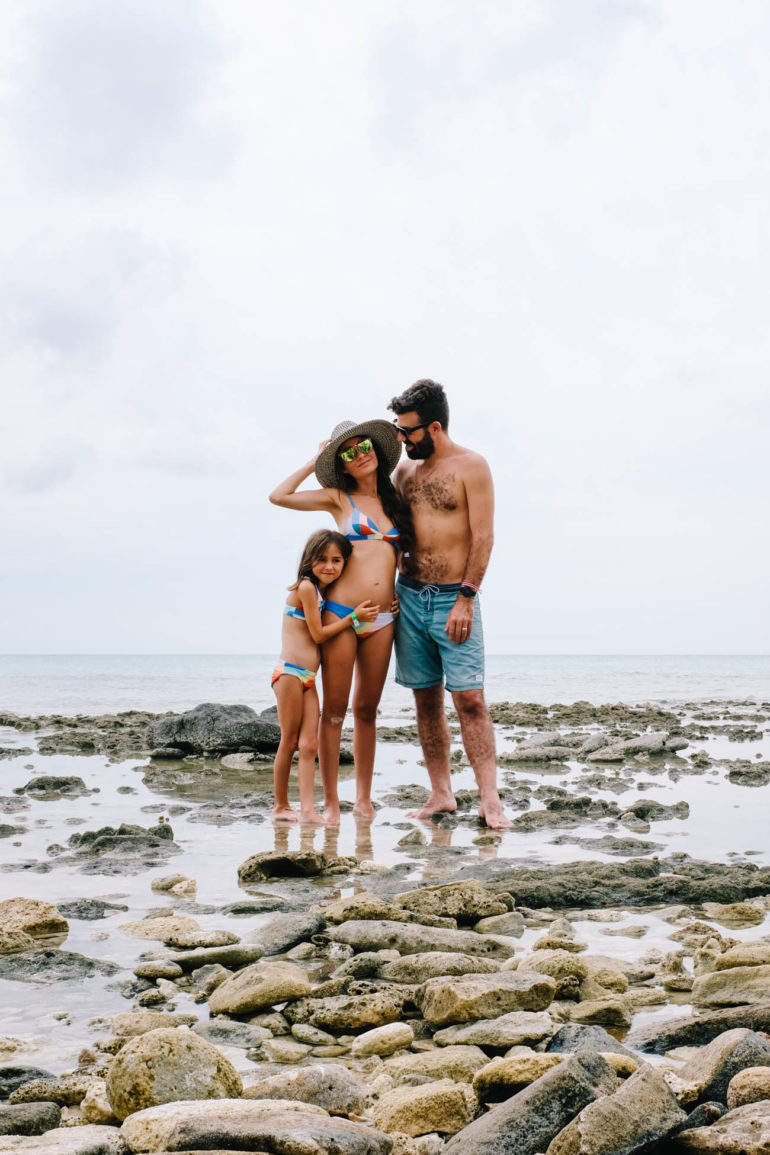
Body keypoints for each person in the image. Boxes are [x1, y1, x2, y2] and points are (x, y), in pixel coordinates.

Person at [269, 419, 408, 824]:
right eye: (346, 453)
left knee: (367, 710)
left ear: (375, 450)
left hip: (384, 617)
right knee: (334, 711)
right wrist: (315, 461)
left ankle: (363, 800)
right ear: (341, 465)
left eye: (362, 446)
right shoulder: (337, 498)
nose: (359, 455)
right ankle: (331, 803)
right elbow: (279, 496)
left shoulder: (395, 498)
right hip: (341, 615)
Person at [388, 379, 511, 830]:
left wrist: (466, 597)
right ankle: (441, 794)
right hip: (408, 597)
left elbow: (484, 537)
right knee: (425, 701)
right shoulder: (403, 473)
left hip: (453, 599)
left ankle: (490, 801)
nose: (401, 440)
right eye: (398, 431)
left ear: (434, 427)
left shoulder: (471, 466)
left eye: (408, 432)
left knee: (471, 700)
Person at [271, 528, 378, 824]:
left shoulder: (320, 591)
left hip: (308, 677)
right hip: (290, 673)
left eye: (336, 561)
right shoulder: (305, 587)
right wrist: (354, 617)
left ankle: (307, 810)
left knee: (309, 745)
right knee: (289, 741)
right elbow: (317, 634)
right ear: (309, 560)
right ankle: (280, 806)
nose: (329, 566)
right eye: (322, 560)